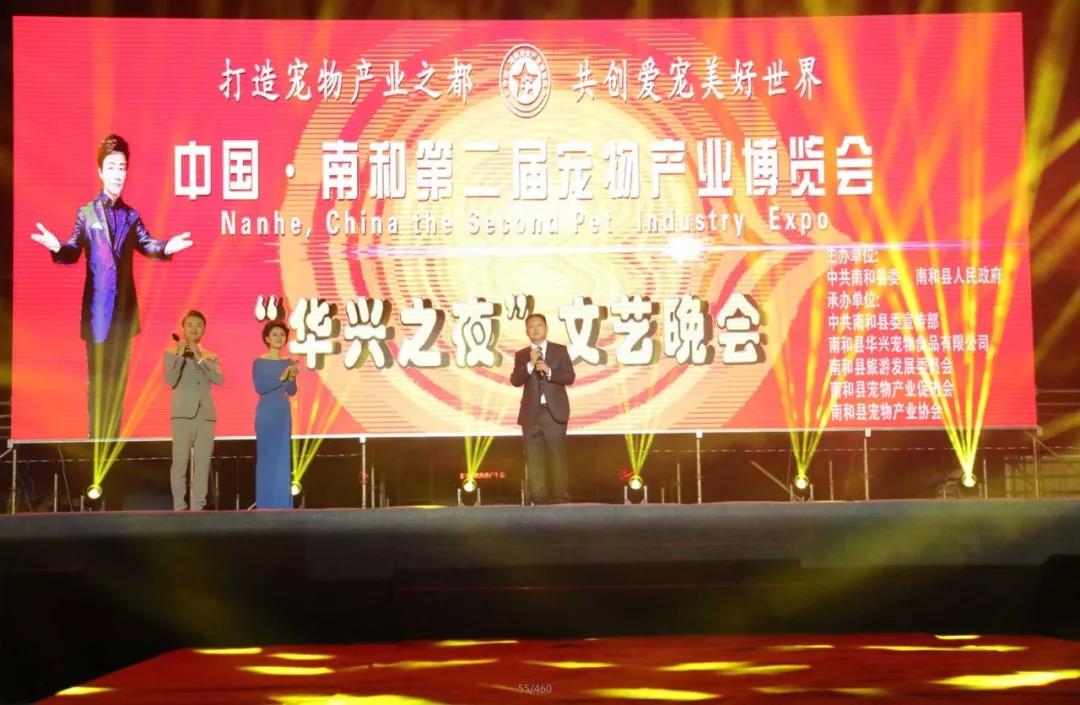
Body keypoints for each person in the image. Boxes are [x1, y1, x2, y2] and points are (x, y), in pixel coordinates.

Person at [30, 134, 194, 439]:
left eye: (122, 167)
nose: (118, 173)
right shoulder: (86, 213)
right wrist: (57, 246)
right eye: (112, 167)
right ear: (100, 171)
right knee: (97, 382)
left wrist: (166, 247)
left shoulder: (131, 216)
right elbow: (72, 251)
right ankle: (96, 439)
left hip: (124, 315)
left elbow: (148, 243)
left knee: (118, 382)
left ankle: (114, 439)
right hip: (96, 314)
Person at [510, 313, 576, 504]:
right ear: (527, 331)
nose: (536, 329)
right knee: (534, 456)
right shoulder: (522, 355)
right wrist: (530, 365)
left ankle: (559, 495)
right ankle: (538, 495)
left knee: (556, 455)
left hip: (553, 411)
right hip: (531, 413)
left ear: (546, 328)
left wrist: (549, 371)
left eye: (539, 325)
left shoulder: (559, 350)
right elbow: (515, 380)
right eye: (531, 326)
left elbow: (569, 377)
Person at [164, 310, 222, 510]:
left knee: (202, 463)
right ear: (183, 328)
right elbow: (170, 380)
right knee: (180, 463)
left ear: (204, 329)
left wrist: (200, 358)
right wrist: (180, 356)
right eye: (189, 325)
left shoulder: (210, 356)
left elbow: (219, 379)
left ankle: (198, 507)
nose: (194, 328)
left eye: (198, 325)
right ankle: (179, 507)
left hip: (206, 416)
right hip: (182, 415)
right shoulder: (171, 353)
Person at [253, 321, 299, 509]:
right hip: (266, 409)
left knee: (282, 457)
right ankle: (265, 504)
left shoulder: (289, 362)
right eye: (275, 334)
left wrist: (291, 377)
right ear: (267, 338)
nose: (279, 338)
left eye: (282, 335)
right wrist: (282, 377)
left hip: (282, 409)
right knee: (266, 457)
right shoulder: (259, 362)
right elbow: (260, 387)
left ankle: (281, 504)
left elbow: (292, 390)